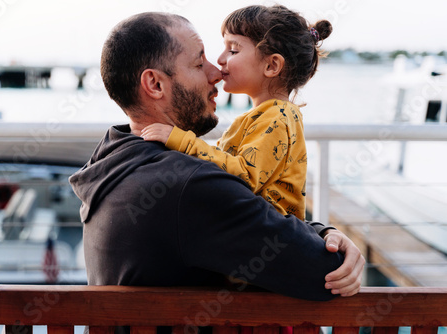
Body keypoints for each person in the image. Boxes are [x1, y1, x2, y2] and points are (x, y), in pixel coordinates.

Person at [69, 12, 364, 305]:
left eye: (230, 51)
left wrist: (322, 231)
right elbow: (325, 272)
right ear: (155, 85)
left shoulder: (114, 159)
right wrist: (327, 240)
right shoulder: (187, 186)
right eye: (199, 63)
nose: (216, 72)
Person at [141, 5, 331, 221]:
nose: (220, 59)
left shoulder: (278, 116)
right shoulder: (267, 114)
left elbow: (245, 176)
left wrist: (182, 141)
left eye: (233, 50)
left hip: (268, 236)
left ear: (271, 65)